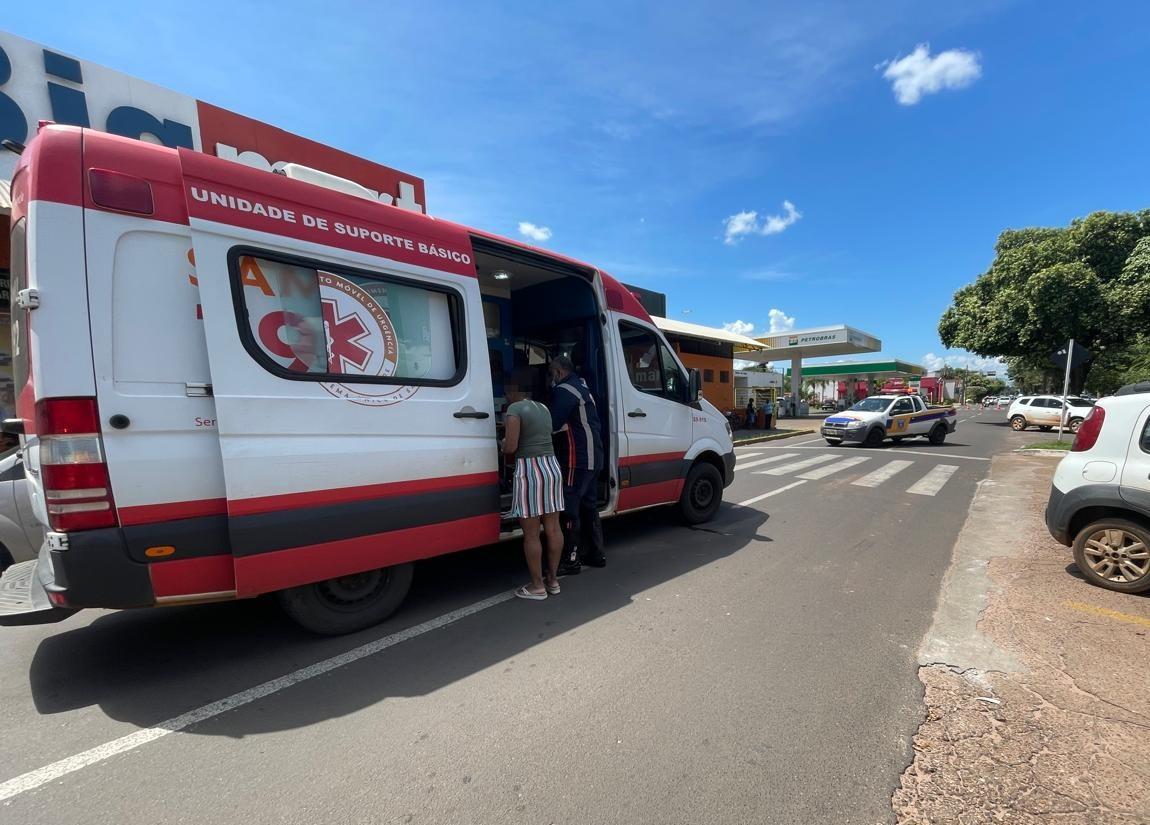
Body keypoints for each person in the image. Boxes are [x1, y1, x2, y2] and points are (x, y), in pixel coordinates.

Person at [502, 370, 565, 600]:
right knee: (553, 528)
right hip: (551, 467)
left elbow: (511, 447)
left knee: (531, 533)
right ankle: (553, 580)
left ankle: (537, 587)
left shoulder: (514, 409)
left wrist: (502, 444)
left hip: (530, 470)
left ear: (513, 390)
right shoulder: (543, 408)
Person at [548, 355, 605, 575]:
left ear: (559, 372)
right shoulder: (581, 388)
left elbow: (553, 423)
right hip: (593, 458)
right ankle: (596, 554)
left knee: (570, 508)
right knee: (589, 506)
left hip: (576, 459)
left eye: (551, 372)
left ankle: (571, 559)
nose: (550, 377)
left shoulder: (565, 391)